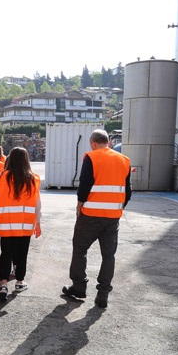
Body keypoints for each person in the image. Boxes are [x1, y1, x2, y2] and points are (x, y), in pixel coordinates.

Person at [62, 129, 131, 308]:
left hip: (90, 215)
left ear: (93, 143)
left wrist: (79, 205)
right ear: (108, 142)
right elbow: (128, 192)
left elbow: (85, 183)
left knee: (80, 249)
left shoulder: (91, 157)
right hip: (112, 218)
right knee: (108, 255)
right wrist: (117, 207)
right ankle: (103, 294)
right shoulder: (124, 160)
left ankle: (78, 287)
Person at [0, 147, 42, 302]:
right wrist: (38, 222)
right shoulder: (34, 179)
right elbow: (37, 205)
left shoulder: (0, 178)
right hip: (25, 225)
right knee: (22, 254)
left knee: (6, 254)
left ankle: (3, 285)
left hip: (6, 225)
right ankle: (19, 282)